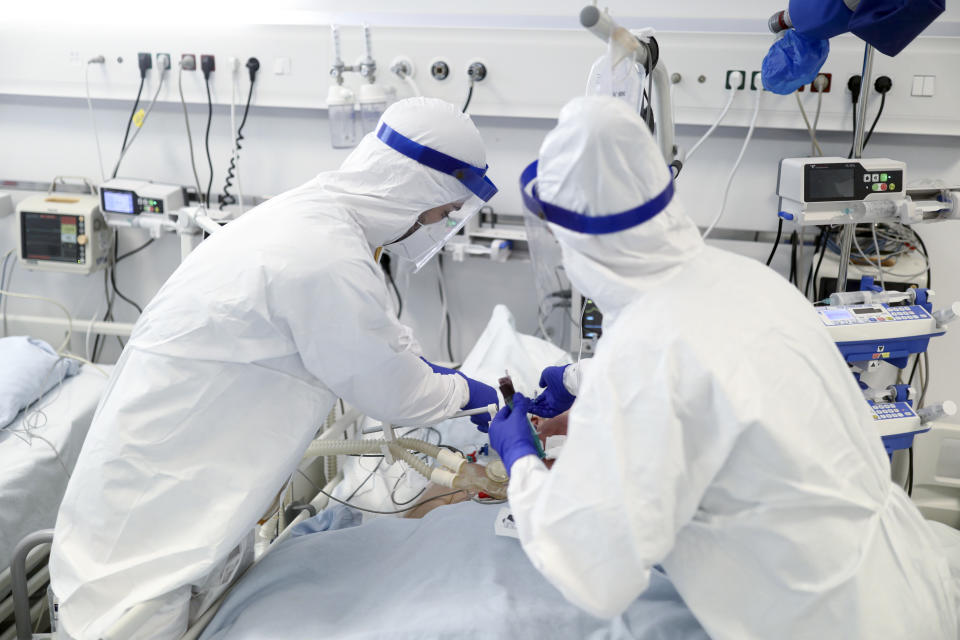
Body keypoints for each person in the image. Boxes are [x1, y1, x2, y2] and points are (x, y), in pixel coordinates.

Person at [489, 95, 959, 639]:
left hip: (818, 618)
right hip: (899, 583)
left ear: (576, 240)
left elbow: (595, 570)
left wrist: (520, 458)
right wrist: (584, 386)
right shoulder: (742, 278)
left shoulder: (644, 354)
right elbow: (723, 376)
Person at [49, 97, 499, 640]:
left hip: (184, 484)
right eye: (442, 210)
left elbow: (376, 344)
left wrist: (445, 381)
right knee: (133, 618)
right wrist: (477, 395)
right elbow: (395, 392)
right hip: (148, 531)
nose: (438, 223)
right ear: (416, 189)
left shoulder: (315, 219)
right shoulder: (325, 254)